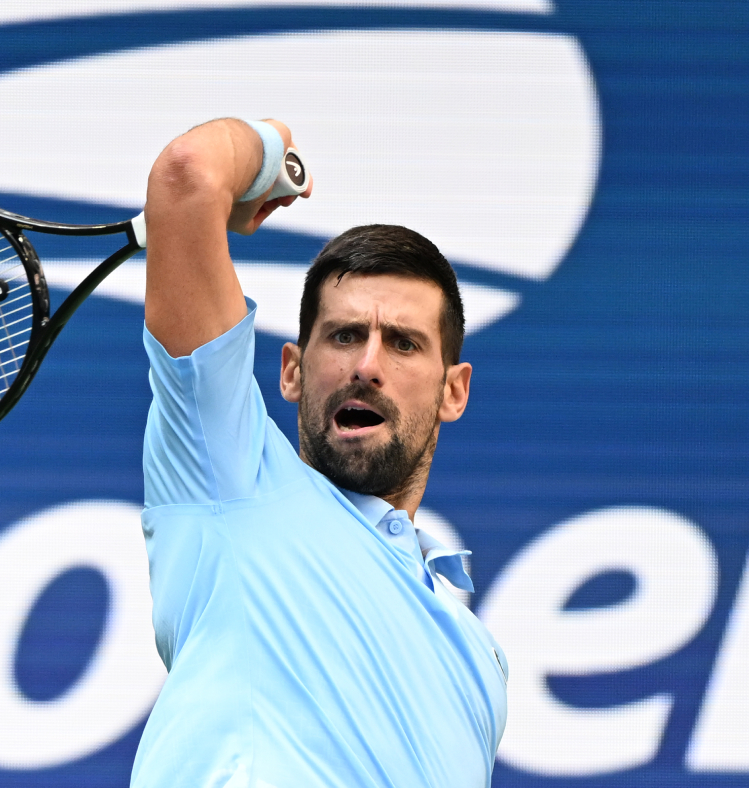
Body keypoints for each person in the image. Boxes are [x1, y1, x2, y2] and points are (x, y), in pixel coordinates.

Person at [133, 117, 509, 787]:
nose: (367, 366)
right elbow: (189, 174)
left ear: (454, 391)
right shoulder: (231, 478)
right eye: (343, 336)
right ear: (291, 372)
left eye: (403, 343)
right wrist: (271, 149)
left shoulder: (481, 662)